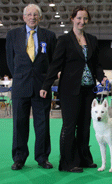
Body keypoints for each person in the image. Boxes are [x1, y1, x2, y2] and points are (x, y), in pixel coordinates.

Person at [40, 6, 104, 173]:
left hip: (88, 89)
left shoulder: (92, 39)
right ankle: (68, 162)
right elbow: (55, 65)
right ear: (72, 19)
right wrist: (46, 86)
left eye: (85, 19)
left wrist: (102, 76)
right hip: (69, 90)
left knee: (84, 126)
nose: (82, 21)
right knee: (69, 126)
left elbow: (95, 64)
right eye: (79, 18)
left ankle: (84, 159)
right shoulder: (64, 40)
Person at [6, 4, 57, 171]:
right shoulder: (13, 35)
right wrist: (20, 77)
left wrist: (46, 83)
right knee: (19, 124)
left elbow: (53, 63)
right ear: (23, 17)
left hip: (42, 88)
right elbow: (10, 60)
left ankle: (42, 157)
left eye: (36, 15)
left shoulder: (49, 36)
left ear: (40, 17)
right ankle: (19, 157)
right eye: (29, 14)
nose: (32, 17)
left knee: (42, 125)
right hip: (21, 86)